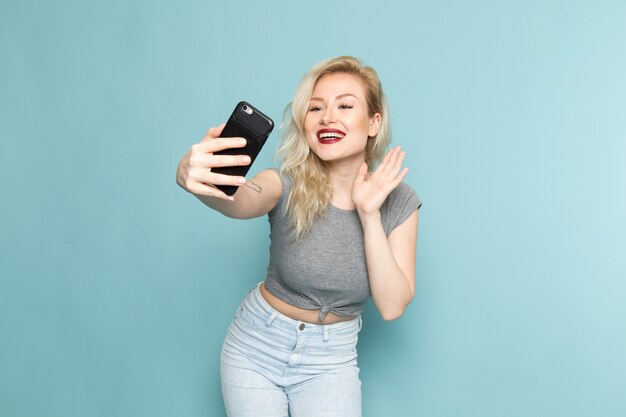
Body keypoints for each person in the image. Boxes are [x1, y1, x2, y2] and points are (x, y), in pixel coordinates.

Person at [176, 56, 422, 417]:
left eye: (345, 105)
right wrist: (197, 181)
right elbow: (239, 201)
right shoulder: (284, 183)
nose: (327, 117)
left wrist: (369, 214)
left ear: (374, 122)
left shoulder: (399, 201)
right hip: (255, 349)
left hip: (330, 361)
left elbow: (392, 305)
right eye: (315, 107)